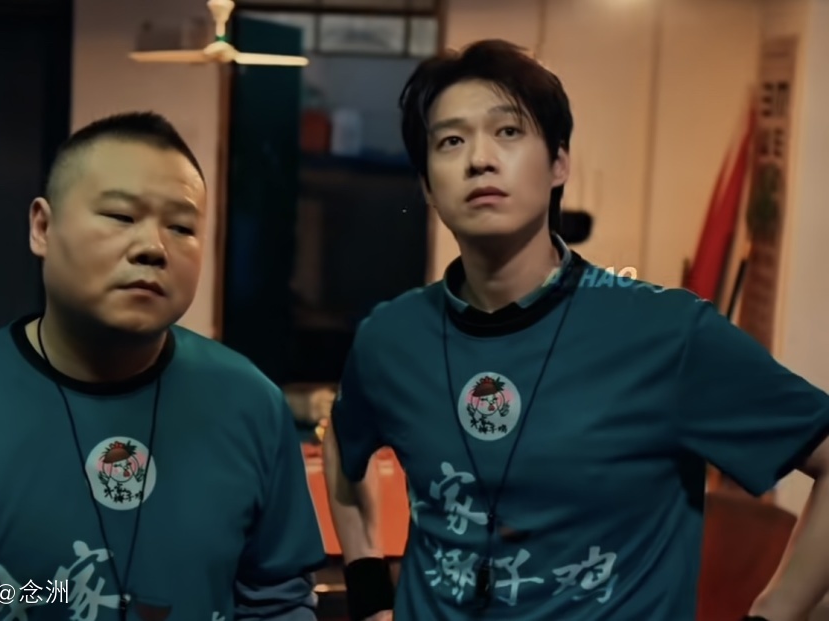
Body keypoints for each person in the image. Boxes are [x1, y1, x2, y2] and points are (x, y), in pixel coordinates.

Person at [322, 39, 829, 621]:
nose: (479, 158)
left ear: (559, 162)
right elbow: (342, 443)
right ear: (428, 186)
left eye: (507, 132)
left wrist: (775, 612)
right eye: (451, 141)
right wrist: (369, 595)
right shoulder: (390, 338)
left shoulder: (667, 334)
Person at [0, 111, 327, 620]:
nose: (153, 248)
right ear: (42, 228)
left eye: (181, 227)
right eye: (121, 216)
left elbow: (276, 600)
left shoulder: (250, 404)